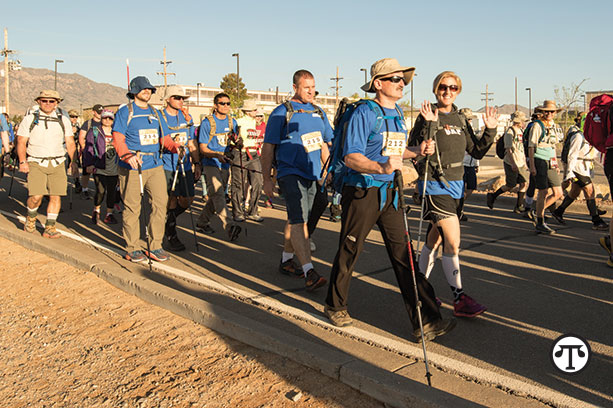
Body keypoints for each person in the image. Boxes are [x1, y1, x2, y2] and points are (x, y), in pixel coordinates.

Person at [323, 58, 455, 341]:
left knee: (404, 255)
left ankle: (427, 320)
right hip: (363, 191)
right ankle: (335, 306)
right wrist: (381, 168)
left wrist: (416, 150)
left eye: (403, 79)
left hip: (391, 194)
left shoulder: (396, 112)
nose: (401, 84)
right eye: (395, 79)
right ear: (378, 84)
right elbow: (351, 156)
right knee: (350, 249)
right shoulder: (364, 113)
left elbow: (391, 150)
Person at [411, 71, 498, 318]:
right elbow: (415, 149)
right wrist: (428, 124)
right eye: (443, 87)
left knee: (434, 240)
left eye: (453, 88)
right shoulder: (427, 115)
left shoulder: (460, 119)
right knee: (453, 241)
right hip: (435, 185)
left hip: (457, 186)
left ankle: (419, 289)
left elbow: (477, 151)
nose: (447, 91)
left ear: (458, 91)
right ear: (435, 89)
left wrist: (490, 131)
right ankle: (459, 299)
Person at [261, 69, 332, 291]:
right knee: (299, 219)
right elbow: (268, 148)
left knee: (298, 218)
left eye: (313, 87)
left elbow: (323, 144)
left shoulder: (319, 112)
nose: (311, 91)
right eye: (306, 87)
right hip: (289, 172)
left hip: (313, 174)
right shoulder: (282, 112)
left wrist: (328, 173)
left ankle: (286, 260)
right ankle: (309, 271)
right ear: (295, 88)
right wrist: (267, 180)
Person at [112, 76, 180, 262]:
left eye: (149, 89)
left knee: (160, 204)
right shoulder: (125, 112)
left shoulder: (156, 113)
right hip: (133, 166)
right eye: (144, 89)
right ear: (134, 91)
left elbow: (164, 138)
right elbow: (118, 137)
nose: (147, 92)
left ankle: (155, 245)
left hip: (155, 164)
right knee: (132, 207)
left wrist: (174, 147)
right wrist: (127, 155)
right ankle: (133, 247)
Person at [16, 90, 78, 238]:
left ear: (57, 103)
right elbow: (21, 141)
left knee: (56, 196)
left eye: (52, 101)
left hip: (58, 161)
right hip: (36, 161)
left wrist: (74, 162)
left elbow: (70, 142)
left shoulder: (63, 119)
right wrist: (22, 161)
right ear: (38, 101)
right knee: (36, 196)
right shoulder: (30, 118)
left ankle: (50, 226)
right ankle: (31, 217)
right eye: (44, 101)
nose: (48, 104)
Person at [160, 85, 200, 251]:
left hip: (184, 165)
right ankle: (171, 234)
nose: (180, 101)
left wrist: (197, 163)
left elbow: (191, 142)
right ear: (168, 99)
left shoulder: (186, 117)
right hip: (166, 164)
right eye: (177, 97)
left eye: (182, 98)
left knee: (188, 199)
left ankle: (163, 221)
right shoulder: (160, 117)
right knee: (171, 200)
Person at [196, 93, 241, 241]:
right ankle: (230, 226)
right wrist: (216, 155)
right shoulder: (207, 123)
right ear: (215, 105)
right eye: (222, 103)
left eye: (228, 103)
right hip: (210, 163)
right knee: (218, 194)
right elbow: (203, 148)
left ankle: (202, 222)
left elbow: (234, 141)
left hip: (224, 163)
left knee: (216, 195)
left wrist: (238, 144)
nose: (226, 106)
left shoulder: (232, 122)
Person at [551, 114, 608, 230]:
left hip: (585, 167)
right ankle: (596, 220)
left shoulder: (589, 137)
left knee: (575, 191)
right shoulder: (578, 136)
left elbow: (593, 155)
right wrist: (569, 172)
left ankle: (558, 211)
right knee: (590, 190)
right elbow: (571, 155)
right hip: (577, 167)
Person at [527, 100, 564, 234]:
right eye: (546, 111)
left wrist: (556, 163)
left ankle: (536, 211)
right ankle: (540, 221)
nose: (549, 114)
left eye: (552, 111)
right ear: (542, 112)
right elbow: (531, 146)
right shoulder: (537, 126)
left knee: (558, 192)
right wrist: (532, 166)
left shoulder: (554, 126)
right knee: (543, 192)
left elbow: (553, 146)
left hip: (550, 161)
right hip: (539, 160)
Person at [487, 111, 529, 212]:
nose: (523, 122)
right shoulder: (510, 132)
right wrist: (513, 163)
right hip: (511, 162)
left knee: (524, 183)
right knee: (511, 185)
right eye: (522, 120)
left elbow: (521, 148)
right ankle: (493, 196)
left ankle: (519, 206)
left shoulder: (521, 131)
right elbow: (509, 149)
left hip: (521, 162)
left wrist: (524, 162)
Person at [82, 110, 119, 225]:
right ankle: (96, 209)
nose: (107, 120)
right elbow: (89, 148)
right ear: (101, 118)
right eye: (105, 118)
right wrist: (89, 163)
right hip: (99, 166)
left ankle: (109, 213)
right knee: (101, 191)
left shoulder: (117, 132)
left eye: (110, 118)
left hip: (114, 167)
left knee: (112, 192)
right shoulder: (94, 131)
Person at [232, 99, 264, 222]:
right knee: (238, 183)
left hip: (254, 154)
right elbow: (232, 137)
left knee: (258, 182)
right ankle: (238, 212)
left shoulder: (257, 123)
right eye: (254, 110)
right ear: (247, 111)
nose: (257, 113)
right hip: (240, 153)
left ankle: (253, 210)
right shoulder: (238, 122)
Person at [78, 104, 104, 199]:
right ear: (93, 112)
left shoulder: (104, 123)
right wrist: (84, 148)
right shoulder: (88, 123)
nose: (100, 114)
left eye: (101, 112)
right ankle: (84, 189)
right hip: (89, 151)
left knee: (99, 171)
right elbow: (81, 136)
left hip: (100, 151)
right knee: (86, 172)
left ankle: (99, 190)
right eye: (98, 112)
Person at [457, 108, 479, 221]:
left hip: (471, 163)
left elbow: (475, 148)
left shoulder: (471, 132)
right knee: (460, 188)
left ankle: (457, 204)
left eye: (470, 119)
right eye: (467, 119)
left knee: (471, 187)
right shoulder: (457, 131)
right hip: (461, 164)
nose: (469, 121)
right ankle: (459, 210)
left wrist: (476, 163)